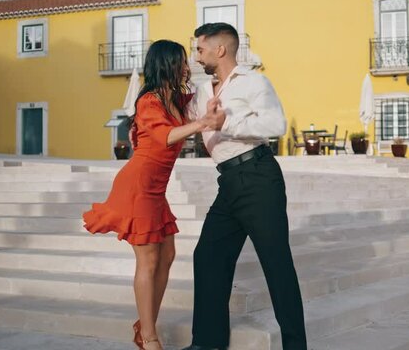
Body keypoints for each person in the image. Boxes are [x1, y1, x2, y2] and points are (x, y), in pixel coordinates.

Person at [181, 23, 308, 350]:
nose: (197, 56)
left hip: (258, 177)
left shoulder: (253, 81)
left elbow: (275, 124)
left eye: (200, 49)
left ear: (219, 49)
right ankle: (207, 343)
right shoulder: (203, 90)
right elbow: (185, 120)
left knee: (276, 265)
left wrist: (228, 123)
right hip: (228, 183)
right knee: (207, 256)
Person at [83, 40, 211, 350]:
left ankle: (145, 323)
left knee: (167, 255)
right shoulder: (149, 101)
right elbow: (165, 136)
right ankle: (149, 336)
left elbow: (208, 96)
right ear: (166, 64)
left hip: (156, 189)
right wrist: (201, 123)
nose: (186, 66)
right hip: (138, 186)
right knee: (149, 260)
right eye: (181, 60)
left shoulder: (177, 98)